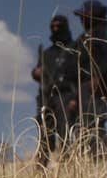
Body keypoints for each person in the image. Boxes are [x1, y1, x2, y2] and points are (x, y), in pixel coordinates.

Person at [72, 0, 107, 159]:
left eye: (84, 16)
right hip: (78, 89)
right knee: (78, 127)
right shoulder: (82, 38)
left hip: (95, 86)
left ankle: (98, 161)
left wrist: (99, 77)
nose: (81, 19)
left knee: (93, 122)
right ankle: (81, 164)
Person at [31, 14, 78, 166]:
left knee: (65, 134)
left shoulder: (74, 50)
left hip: (66, 95)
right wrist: (37, 72)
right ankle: (41, 171)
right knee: (44, 134)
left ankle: (68, 168)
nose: (55, 29)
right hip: (46, 97)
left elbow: (81, 77)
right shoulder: (47, 53)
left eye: (59, 26)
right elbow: (39, 72)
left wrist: (75, 99)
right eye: (53, 27)